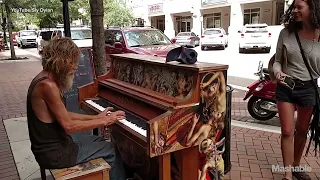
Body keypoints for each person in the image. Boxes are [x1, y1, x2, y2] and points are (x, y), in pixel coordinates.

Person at [26, 37, 126, 180]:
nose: (76, 66)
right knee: (111, 150)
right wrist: (105, 121)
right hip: (55, 154)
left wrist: (97, 117)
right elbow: (69, 125)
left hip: (53, 148)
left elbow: (65, 115)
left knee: (98, 141)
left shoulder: (43, 79)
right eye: (73, 62)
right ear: (62, 61)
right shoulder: (48, 86)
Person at [272, 0, 320, 179]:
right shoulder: (286, 33)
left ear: (312, 9)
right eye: (294, 7)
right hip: (286, 86)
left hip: (309, 88)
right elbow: (277, 60)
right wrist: (278, 72)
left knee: (302, 130)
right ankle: (287, 174)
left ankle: (296, 165)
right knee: (287, 131)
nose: (295, 11)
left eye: (300, 7)